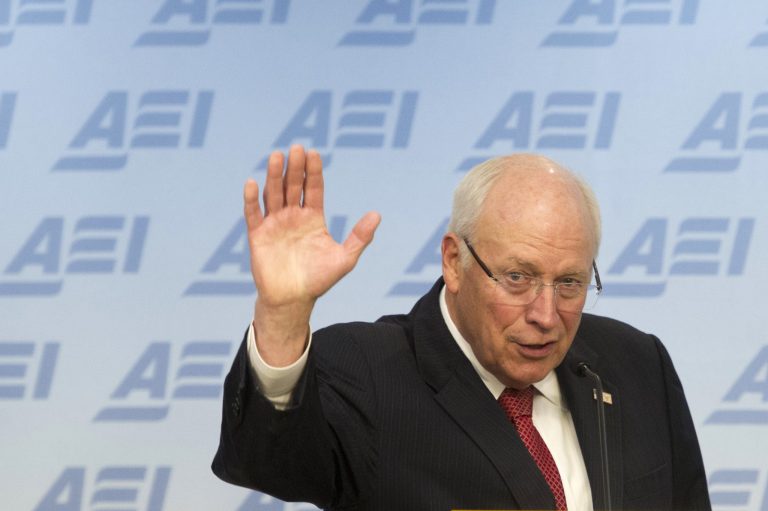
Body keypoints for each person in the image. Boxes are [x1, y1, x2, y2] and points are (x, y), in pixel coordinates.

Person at [212, 145, 711, 511]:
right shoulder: (370, 372)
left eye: (570, 283)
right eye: (517, 277)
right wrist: (281, 313)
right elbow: (263, 460)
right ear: (454, 262)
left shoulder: (637, 365)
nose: (545, 314)